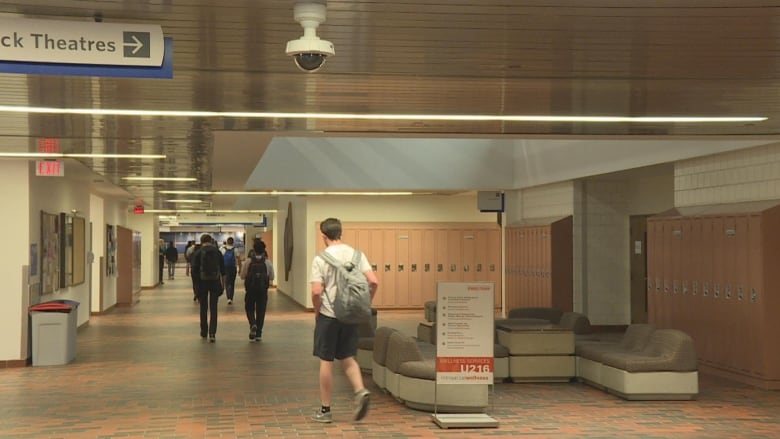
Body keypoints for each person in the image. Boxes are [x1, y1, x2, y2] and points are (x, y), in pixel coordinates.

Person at [310, 218, 379, 423]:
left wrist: (317, 312)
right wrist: (364, 304)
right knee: (348, 357)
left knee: (326, 361)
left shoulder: (321, 259)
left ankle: (325, 410)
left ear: (323, 236)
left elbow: (316, 291)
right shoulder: (357, 255)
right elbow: (373, 281)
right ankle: (360, 390)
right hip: (351, 315)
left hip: (329, 315)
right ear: (341, 232)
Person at [190, 234, 225, 342]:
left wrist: (195, 287)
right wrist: (222, 284)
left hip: (202, 283)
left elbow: (194, 272)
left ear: (201, 241)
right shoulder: (217, 252)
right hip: (215, 282)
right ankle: (212, 333)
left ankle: (204, 331)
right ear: (211, 241)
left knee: (203, 308)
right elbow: (223, 270)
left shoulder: (198, 253)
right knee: (214, 308)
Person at [240, 240, 275, 342]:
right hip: (263, 290)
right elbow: (272, 277)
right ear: (264, 250)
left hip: (250, 290)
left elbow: (242, 276)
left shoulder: (248, 262)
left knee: (249, 308)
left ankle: (253, 323)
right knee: (261, 310)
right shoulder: (267, 262)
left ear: (253, 250)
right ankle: (259, 334)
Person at [221, 237, 239, 305]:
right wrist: (240, 268)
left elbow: (220, 259)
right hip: (233, 268)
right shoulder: (235, 249)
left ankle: (228, 298)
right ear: (233, 242)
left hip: (225, 268)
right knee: (232, 283)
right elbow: (239, 259)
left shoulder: (222, 249)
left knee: (227, 283)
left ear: (227, 242)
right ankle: (231, 297)